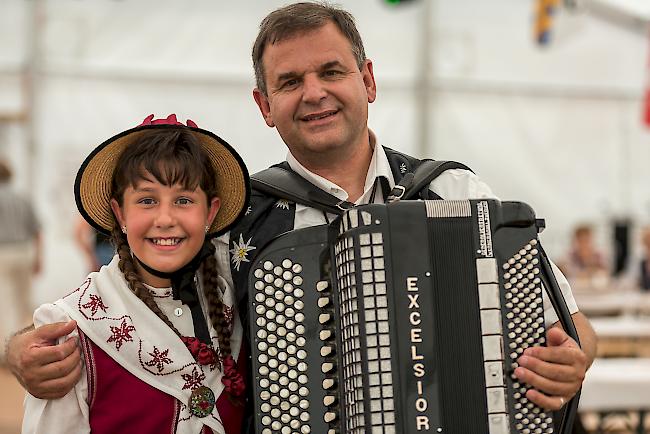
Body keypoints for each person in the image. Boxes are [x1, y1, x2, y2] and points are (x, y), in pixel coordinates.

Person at [8, 2, 596, 431]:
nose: (313, 93)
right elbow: (125, 301)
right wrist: (23, 353)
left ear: (367, 80)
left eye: (331, 72)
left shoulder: (452, 189)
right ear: (265, 107)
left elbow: (570, 325)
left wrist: (573, 361)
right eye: (289, 82)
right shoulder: (238, 219)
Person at [22, 114, 250, 434]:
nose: (166, 218)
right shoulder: (74, 330)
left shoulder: (241, 303)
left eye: (184, 200)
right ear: (120, 213)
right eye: (147, 200)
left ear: (210, 212)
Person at [0, 159, 42, 362]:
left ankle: (7, 350)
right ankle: (23, 345)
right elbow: (37, 230)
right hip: (25, 251)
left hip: (3, 252)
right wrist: (39, 257)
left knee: (4, 301)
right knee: (21, 300)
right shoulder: (23, 198)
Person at [559, 224, 609, 289]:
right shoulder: (569, 256)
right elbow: (568, 273)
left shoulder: (598, 255)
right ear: (576, 241)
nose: (584, 244)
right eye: (581, 241)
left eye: (587, 241)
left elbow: (604, 274)